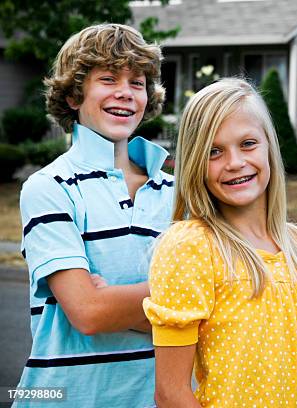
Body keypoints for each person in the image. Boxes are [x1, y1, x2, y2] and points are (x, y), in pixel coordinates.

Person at [16, 24, 173, 407]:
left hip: (156, 396)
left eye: (137, 82)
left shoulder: (180, 191)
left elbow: (218, 304)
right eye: (107, 79)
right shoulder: (49, 187)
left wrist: (114, 301)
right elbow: (87, 313)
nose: (125, 92)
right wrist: (179, 302)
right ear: (73, 95)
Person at [143, 78, 297, 407]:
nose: (235, 162)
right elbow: (170, 393)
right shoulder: (190, 246)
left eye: (248, 143)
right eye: (214, 151)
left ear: (269, 144)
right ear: (195, 163)